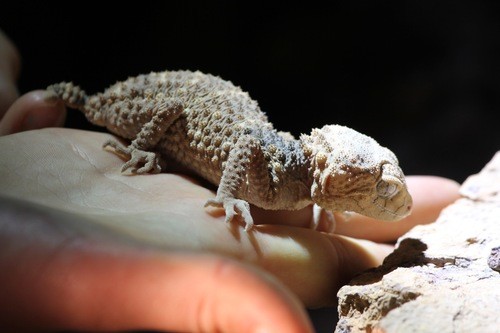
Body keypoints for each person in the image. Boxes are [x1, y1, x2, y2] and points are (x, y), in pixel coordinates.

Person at [0, 29, 460, 332]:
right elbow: (240, 144)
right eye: (381, 189)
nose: (395, 202)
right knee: (115, 108)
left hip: (194, 109)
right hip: (159, 105)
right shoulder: (276, 173)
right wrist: (224, 191)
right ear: (338, 178)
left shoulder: (297, 182)